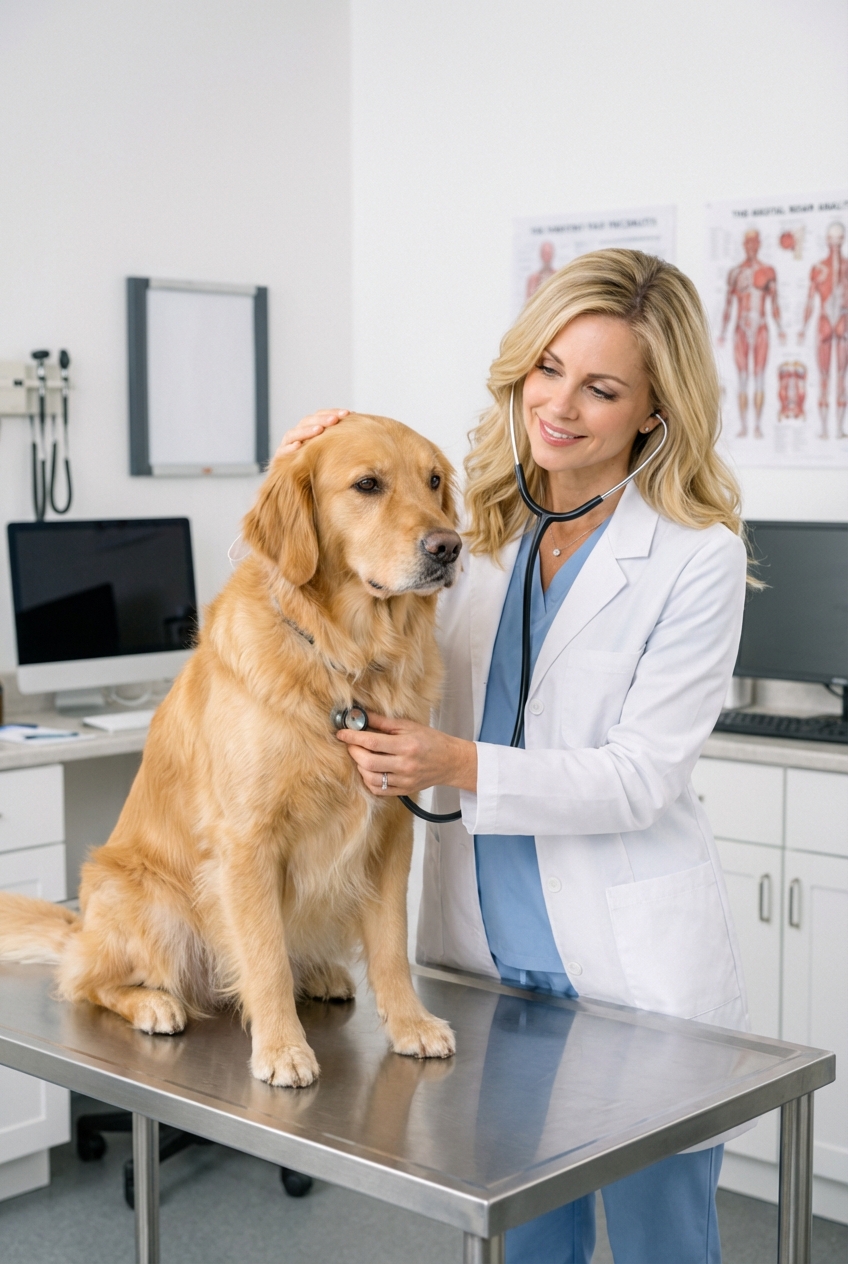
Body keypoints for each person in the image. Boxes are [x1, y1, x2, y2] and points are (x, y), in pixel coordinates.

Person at [281, 249, 749, 1264]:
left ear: (652, 407)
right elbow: (326, 592)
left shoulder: (692, 553)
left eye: (601, 386)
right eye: (546, 368)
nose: (561, 404)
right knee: (520, 1239)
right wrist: (306, 478)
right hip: (488, 963)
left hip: (628, 971)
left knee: (661, 1236)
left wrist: (455, 761)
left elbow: (640, 776)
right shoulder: (465, 521)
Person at [717, 228, 785, 439]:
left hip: (761, 326)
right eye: (748, 243)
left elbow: (774, 303)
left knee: (760, 377)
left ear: (759, 244)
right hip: (740, 328)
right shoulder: (735, 273)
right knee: (743, 378)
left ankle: (757, 425)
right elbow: (728, 304)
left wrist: (781, 328)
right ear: (744, 245)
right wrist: (723, 332)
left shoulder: (768, 271)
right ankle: (745, 426)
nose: (751, 246)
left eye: (754, 242)